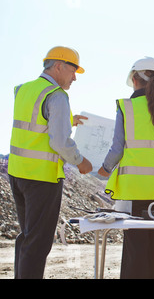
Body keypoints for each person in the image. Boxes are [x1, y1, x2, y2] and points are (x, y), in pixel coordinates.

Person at [8, 46, 93, 279]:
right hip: (41, 178)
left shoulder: (23, 89)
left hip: (17, 174)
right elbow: (60, 142)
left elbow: (36, 123)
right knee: (37, 243)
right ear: (58, 66)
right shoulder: (57, 96)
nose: (74, 77)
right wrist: (80, 161)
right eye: (73, 70)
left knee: (26, 236)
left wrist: (68, 120)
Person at [98, 57, 154, 279]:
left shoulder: (127, 107)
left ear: (134, 79)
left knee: (136, 252)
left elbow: (117, 149)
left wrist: (105, 169)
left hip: (135, 192)